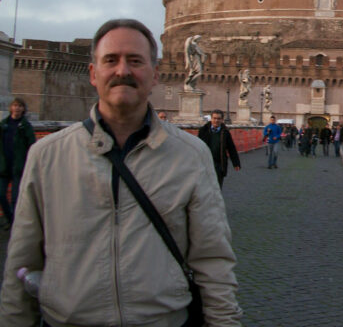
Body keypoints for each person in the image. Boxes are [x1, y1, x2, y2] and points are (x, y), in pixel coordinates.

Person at [0, 18, 241, 326]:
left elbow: (213, 259)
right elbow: (21, 262)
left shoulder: (191, 156)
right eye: (110, 60)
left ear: (155, 74)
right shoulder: (46, 155)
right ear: (92, 73)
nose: (123, 71)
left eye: (136, 61)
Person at [0, 98, 36, 231]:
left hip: (18, 167)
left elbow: (32, 146)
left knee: (16, 198)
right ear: (11, 108)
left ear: (23, 109)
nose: (17, 108)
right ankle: (10, 219)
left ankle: (15, 223)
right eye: (15, 106)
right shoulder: (4, 125)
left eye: (20, 106)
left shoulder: (25, 126)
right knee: (1, 194)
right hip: (4, 166)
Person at [198, 109, 241, 188]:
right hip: (205, 163)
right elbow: (197, 147)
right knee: (204, 187)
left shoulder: (225, 132)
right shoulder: (203, 131)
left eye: (218, 118)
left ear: (222, 120)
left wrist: (236, 163)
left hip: (219, 164)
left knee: (217, 187)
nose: (216, 120)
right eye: (214, 118)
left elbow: (231, 148)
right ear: (211, 119)